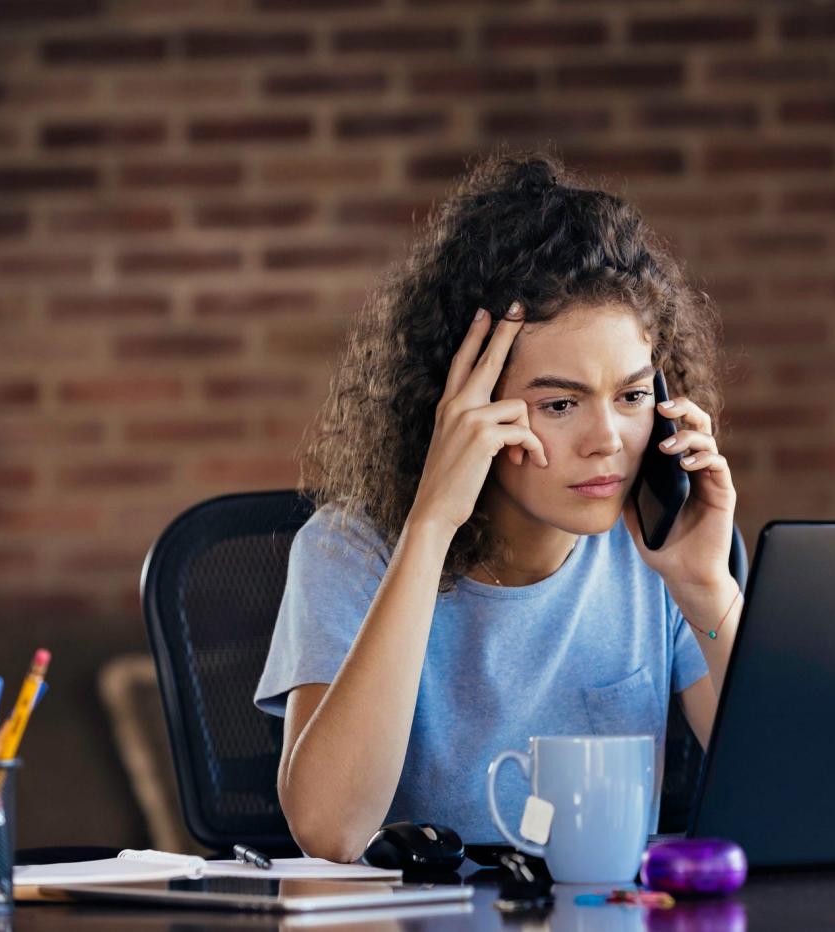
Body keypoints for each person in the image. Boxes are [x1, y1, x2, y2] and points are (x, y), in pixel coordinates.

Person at [254, 149, 743, 862]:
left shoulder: (659, 552)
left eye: (633, 396)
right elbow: (330, 831)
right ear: (466, 409)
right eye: (560, 403)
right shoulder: (348, 550)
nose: (607, 440)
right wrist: (429, 527)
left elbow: (810, 797)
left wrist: (705, 589)